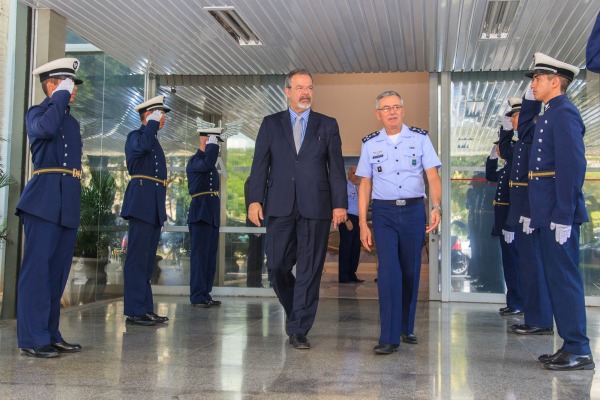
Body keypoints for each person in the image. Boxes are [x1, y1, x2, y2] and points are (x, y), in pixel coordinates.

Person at [247, 69, 347, 350]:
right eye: (300, 87)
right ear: (287, 91)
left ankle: (298, 328)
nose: (306, 92)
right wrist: (255, 200)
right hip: (279, 205)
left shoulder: (327, 125)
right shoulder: (270, 124)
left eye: (310, 88)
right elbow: (260, 164)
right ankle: (296, 309)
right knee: (277, 265)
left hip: (316, 206)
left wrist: (340, 204)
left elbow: (336, 168)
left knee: (309, 269)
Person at [356, 90, 441, 355]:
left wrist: (436, 206)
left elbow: (433, 177)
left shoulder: (420, 138)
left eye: (396, 107)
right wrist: (362, 223)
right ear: (378, 114)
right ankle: (389, 336)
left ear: (403, 110)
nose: (392, 112)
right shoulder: (370, 144)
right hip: (383, 214)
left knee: (410, 271)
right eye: (386, 108)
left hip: (415, 210)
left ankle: (406, 326)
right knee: (389, 272)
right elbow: (364, 185)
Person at [525, 53, 593, 371]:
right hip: (548, 212)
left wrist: (564, 214)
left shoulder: (564, 112)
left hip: (558, 213)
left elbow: (572, 166)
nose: (533, 84)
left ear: (555, 81)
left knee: (565, 280)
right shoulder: (550, 113)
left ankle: (579, 348)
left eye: (538, 78)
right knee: (556, 279)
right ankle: (569, 344)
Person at [15, 58, 84, 358]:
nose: (74, 90)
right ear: (52, 85)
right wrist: (58, 98)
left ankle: (50, 333)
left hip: (67, 202)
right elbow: (45, 129)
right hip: (43, 201)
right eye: (68, 84)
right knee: (37, 272)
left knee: (57, 273)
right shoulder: (39, 113)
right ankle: (32, 337)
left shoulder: (70, 121)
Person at [506, 89, 554, 336]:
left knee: (535, 267)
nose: (515, 121)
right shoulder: (526, 138)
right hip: (524, 211)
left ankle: (541, 319)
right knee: (528, 267)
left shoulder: (536, 135)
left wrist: (527, 210)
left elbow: (533, 181)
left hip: (533, 211)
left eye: (518, 116)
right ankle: (535, 317)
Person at [120, 95, 170, 326]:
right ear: (147, 115)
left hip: (153, 204)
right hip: (141, 202)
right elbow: (140, 149)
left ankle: (145, 308)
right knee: (137, 259)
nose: (164, 119)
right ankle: (134, 310)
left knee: (147, 261)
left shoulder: (153, 139)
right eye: (159, 114)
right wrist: (150, 124)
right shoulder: (137, 136)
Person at [485, 99, 523, 316]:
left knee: (515, 263)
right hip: (504, 222)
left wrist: (505, 136)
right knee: (509, 263)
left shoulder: (519, 153)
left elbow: (509, 150)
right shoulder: (508, 168)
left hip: (513, 222)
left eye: (515, 116)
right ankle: (514, 301)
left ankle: (519, 302)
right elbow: (490, 175)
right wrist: (492, 154)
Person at [187, 127, 223, 308]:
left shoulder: (209, 163)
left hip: (211, 214)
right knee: (199, 258)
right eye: (214, 142)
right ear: (205, 140)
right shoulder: (195, 161)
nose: (216, 147)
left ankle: (205, 293)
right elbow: (208, 164)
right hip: (200, 213)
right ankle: (197, 295)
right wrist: (210, 146)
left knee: (209, 257)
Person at [338, 165, 364, 284]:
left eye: (358, 173)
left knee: (355, 248)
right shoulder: (345, 187)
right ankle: (343, 276)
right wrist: (346, 220)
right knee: (346, 248)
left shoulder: (358, 188)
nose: (356, 175)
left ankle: (352, 274)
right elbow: (341, 204)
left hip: (358, 220)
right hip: (348, 219)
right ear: (349, 174)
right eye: (354, 173)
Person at [244, 175, 265, 288]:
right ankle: (253, 282)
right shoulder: (253, 180)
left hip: (264, 224)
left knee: (261, 254)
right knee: (255, 254)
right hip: (257, 224)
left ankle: (257, 282)